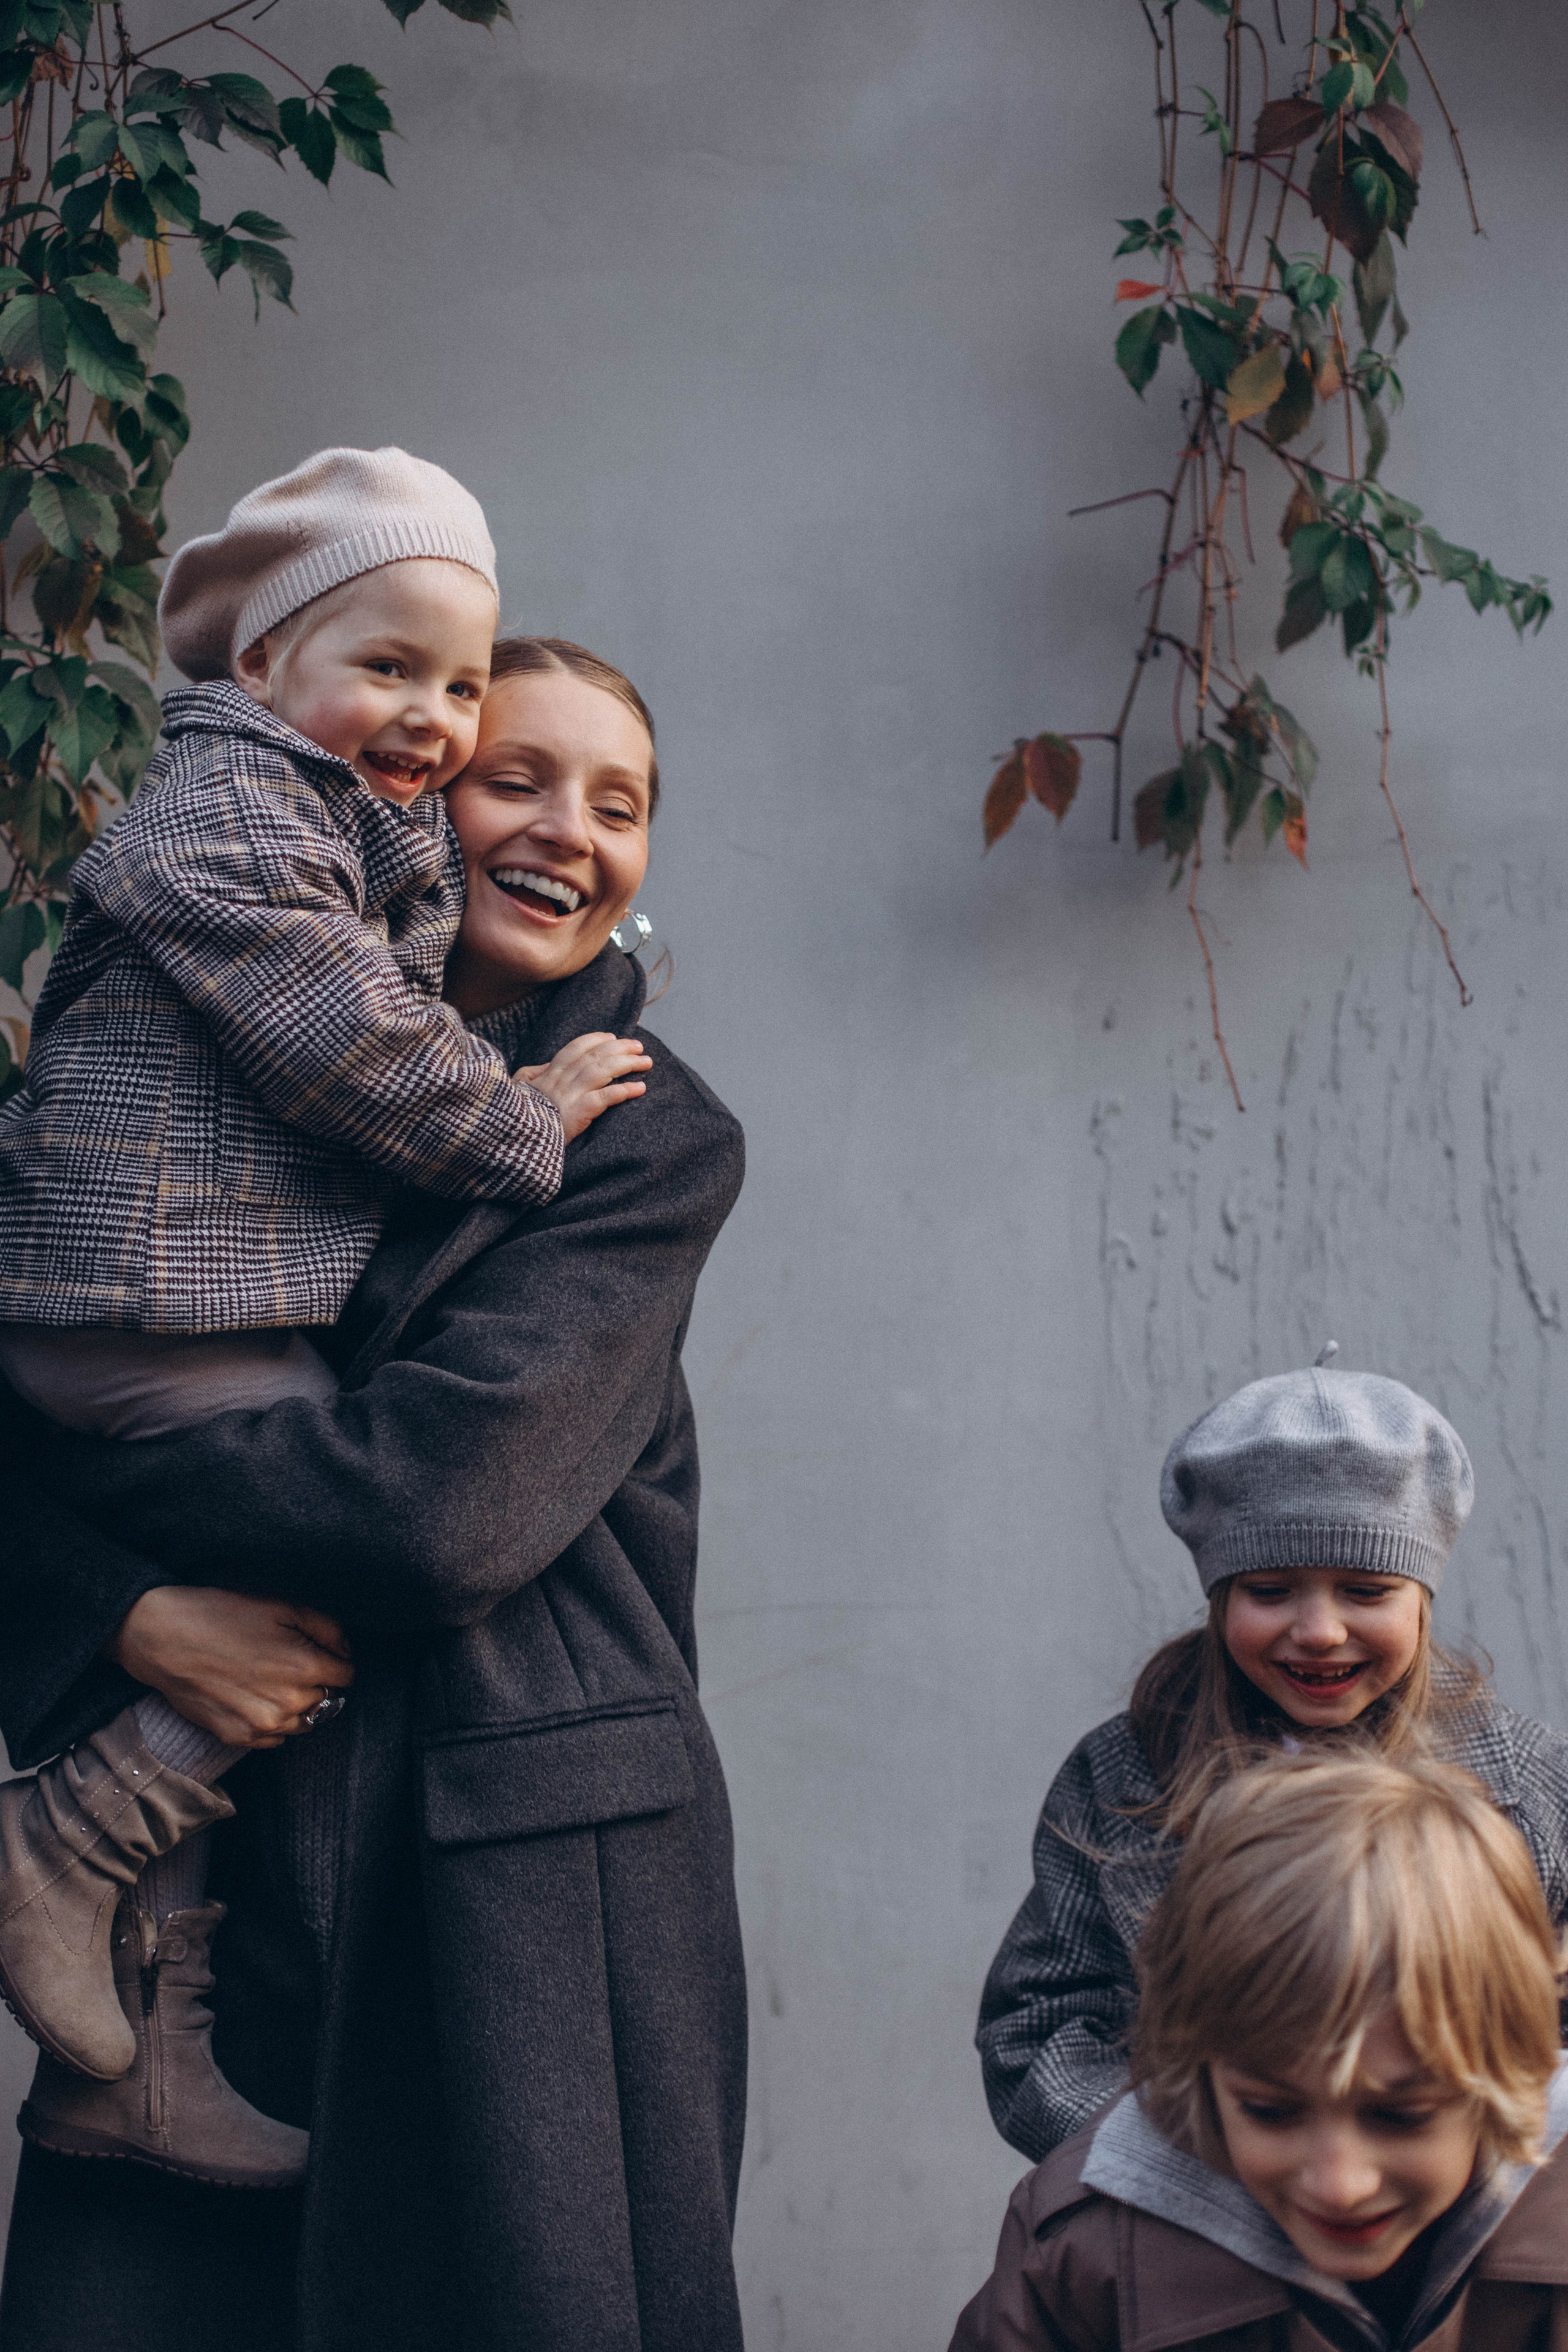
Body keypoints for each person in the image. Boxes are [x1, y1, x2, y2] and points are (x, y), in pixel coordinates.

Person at [0, 636, 747, 2352]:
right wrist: (124, 1615)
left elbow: (438, 1512)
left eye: (620, 805)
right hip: (201, 1915)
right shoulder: (171, 1067)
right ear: (403, 796)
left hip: (517, 1919)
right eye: (519, 777)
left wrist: (111, 1504)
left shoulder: (639, 1136)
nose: (573, 831)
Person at [976, 1365, 1568, 2162]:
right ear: (1220, 1598)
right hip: (1196, 2234)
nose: (1320, 1629)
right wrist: (1175, 2169)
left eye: (1365, 1589)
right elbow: (1039, 2024)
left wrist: (1495, 2155)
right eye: (1271, 1588)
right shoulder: (1125, 1779)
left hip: (1463, 2223)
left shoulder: (1526, 1782)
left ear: (1421, 1599)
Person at [951, 1749, 1568, 2352]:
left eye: (1400, 2116)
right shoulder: (1084, 2247)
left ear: (1512, 2071)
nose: (1339, 2184)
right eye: (1270, 2110)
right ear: (1195, 2066)